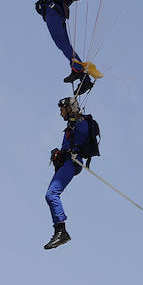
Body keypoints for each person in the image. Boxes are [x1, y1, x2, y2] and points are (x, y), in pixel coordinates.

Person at [17, 0, 95, 95]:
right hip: (56, 13)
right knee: (65, 45)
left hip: (53, 12)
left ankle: (78, 69)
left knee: (61, 43)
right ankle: (84, 80)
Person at [43, 96, 98, 250]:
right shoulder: (72, 125)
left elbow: (81, 136)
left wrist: (76, 117)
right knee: (50, 194)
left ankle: (61, 231)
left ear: (69, 109)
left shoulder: (80, 124)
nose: (60, 114)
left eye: (62, 110)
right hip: (67, 162)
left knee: (51, 194)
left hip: (72, 162)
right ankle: (60, 230)